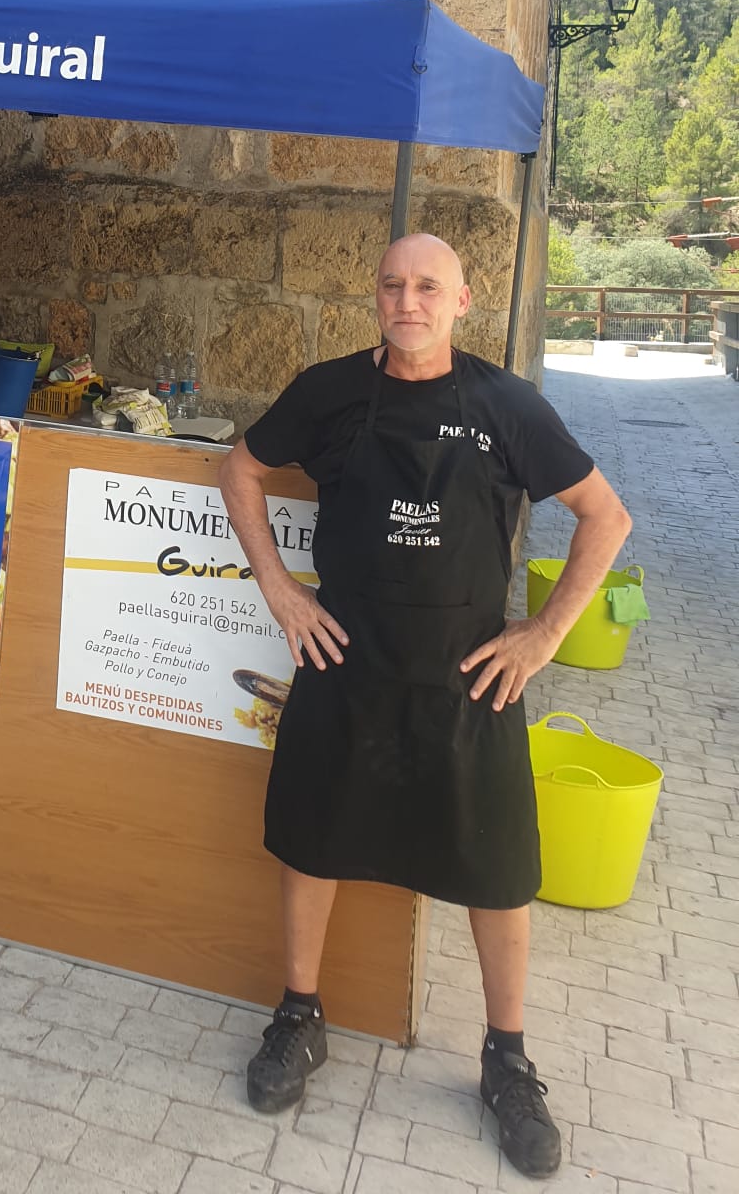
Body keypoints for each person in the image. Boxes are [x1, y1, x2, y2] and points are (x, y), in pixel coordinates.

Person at [218, 233, 632, 1181]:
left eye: (428, 287)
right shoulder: (326, 391)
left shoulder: (507, 403)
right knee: (312, 836)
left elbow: (606, 516)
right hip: (347, 657)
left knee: (497, 866)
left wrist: (542, 635)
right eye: (394, 285)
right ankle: (299, 1016)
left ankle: (508, 1059)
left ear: (463, 300)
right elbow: (239, 471)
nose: (409, 301)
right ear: (376, 296)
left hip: (470, 676)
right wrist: (282, 592)